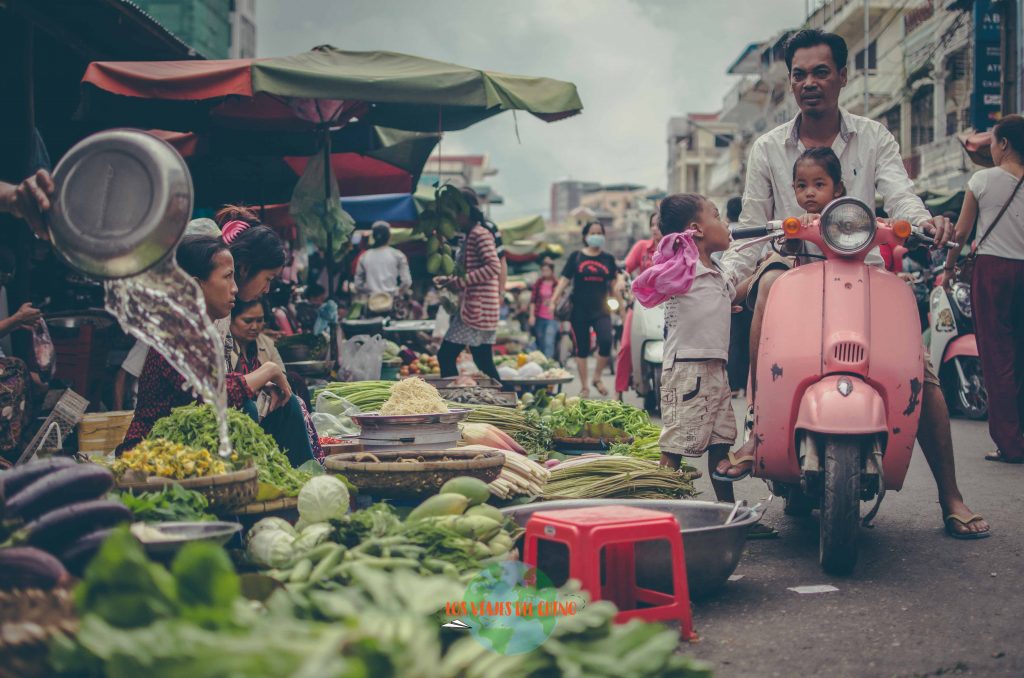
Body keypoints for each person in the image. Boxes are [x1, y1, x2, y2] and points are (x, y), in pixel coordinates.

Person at [716, 28, 988, 538]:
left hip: (865, 273)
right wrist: (724, 279)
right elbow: (751, 226)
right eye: (800, 74)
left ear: (843, 76)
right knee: (768, 282)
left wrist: (924, 223)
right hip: (793, 271)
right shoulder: (768, 148)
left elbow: (900, 195)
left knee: (920, 373)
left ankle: (950, 494)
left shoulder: (874, 136)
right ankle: (757, 427)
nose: (810, 83)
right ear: (790, 82)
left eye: (821, 72)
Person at [118, 235, 318, 467]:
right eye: (227, 277)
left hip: (192, 444)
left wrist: (262, 381)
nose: (235, 288)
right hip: (154, 452)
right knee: (243, 409)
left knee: (287, 404)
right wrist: (269, 370)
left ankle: (304, 479)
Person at [651, 194, 743, 506]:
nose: (725, 223)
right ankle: (662, 510)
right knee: (675, 446)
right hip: (687, 370)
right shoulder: (681, 269)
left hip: (717, 369)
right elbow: (657, 275)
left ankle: (727, 512)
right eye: (717, 216)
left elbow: (732, 293)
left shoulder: (716, 270)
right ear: (697, 229)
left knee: (721, 444)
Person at [944, 114, 1024, 464]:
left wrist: (949, 268)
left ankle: (1010, 444)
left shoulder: (982, 180)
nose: (991, 149)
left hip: (993, 273)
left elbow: (960, 234)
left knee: (997, 358)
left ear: (1004, 144)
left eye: (992, 142)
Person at [229, 298, 321, 457]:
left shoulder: (266, 343)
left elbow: (282, 377)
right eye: (248, 321)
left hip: (270, 407)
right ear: (231, 320)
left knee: (292, 397)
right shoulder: (226, 349)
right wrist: (267, 375)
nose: (255, 327)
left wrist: (271, 385)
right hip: (249, 415)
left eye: (260, 320)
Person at [435, 194, 502, 381]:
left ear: (465, 212)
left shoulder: (479, 234)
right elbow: (470, 271)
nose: (454, 219)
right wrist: (449, 280)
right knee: (483, 361)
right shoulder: (470, 235)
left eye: (455, 213)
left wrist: (459, 282)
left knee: (446, 356)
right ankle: (505, 394)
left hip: (477, 309)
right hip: (478, 308)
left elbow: (494, 266)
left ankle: (454, 395)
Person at [551, 221, 620, 398]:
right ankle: (584, 387)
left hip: (601, 309)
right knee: (582, 348)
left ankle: (597, 377)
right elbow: (564, 280)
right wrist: (554, 299)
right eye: (593, 233)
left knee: (606, 341)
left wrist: (621, 305)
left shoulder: (608, 259)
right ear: (585, 236)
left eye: (600, 233)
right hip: (579, 310)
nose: (596, 236)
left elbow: (614, 284)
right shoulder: (576, 257)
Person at [615, 212, 662, 397]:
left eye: (659, 224)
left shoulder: (676, 248)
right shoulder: (642, 247)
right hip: (641, 304)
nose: (655, 228)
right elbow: (625, 269)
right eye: (652, 224)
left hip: (668, 304)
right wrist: (621, 280)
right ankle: (618, 392)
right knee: (626, 345)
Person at [354, 221, 412, 298]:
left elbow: (358, 285)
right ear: (389, 236)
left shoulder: (364, 256)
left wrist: (370, 292)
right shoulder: (398, 255)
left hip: (372, 300)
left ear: (373, 237)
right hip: (391, 299)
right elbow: (407, 282)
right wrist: (397, 292)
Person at [529, 261, 559, 359]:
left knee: (549, 341)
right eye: (543, 270)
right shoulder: (538, 283)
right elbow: (533, 300)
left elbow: (561, 299)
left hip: (552, 317)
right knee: (540, 341)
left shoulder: (556, 284)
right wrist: (532, 316)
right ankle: (541, 361)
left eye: (547, 270)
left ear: (552, 271)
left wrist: (552, 302)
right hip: (539, 316)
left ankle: (549, 362)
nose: (545, 272)